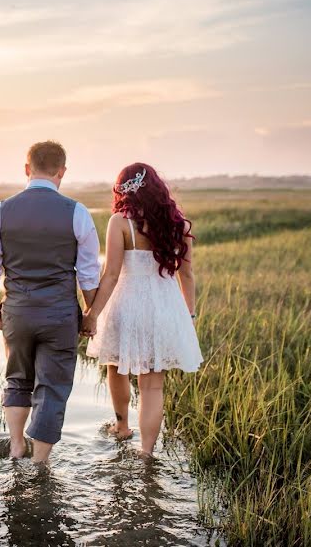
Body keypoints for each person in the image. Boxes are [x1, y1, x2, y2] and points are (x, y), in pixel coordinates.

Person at [0, 141, 101, 464]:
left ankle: (17, 445)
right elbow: (88, 274)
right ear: (62, 172)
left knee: (17, 379)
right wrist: (91, 313)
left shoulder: (0, 211)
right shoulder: (77, 212)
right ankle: (40, 463)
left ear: (26, 169)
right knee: (53, 386)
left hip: (17, 313)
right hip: (60, 315)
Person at [83, 163, 203, 456]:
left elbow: (110, 274)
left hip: (126, 304)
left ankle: (122, 427)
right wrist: (188, 317)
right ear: (156, 187)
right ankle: (147, 452)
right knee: (152, 386)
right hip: (163, 306)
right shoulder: (178, 224)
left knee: (115, 365)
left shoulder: (119, 222)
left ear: (123, 190)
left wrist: (93, 314)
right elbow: (186, 276)